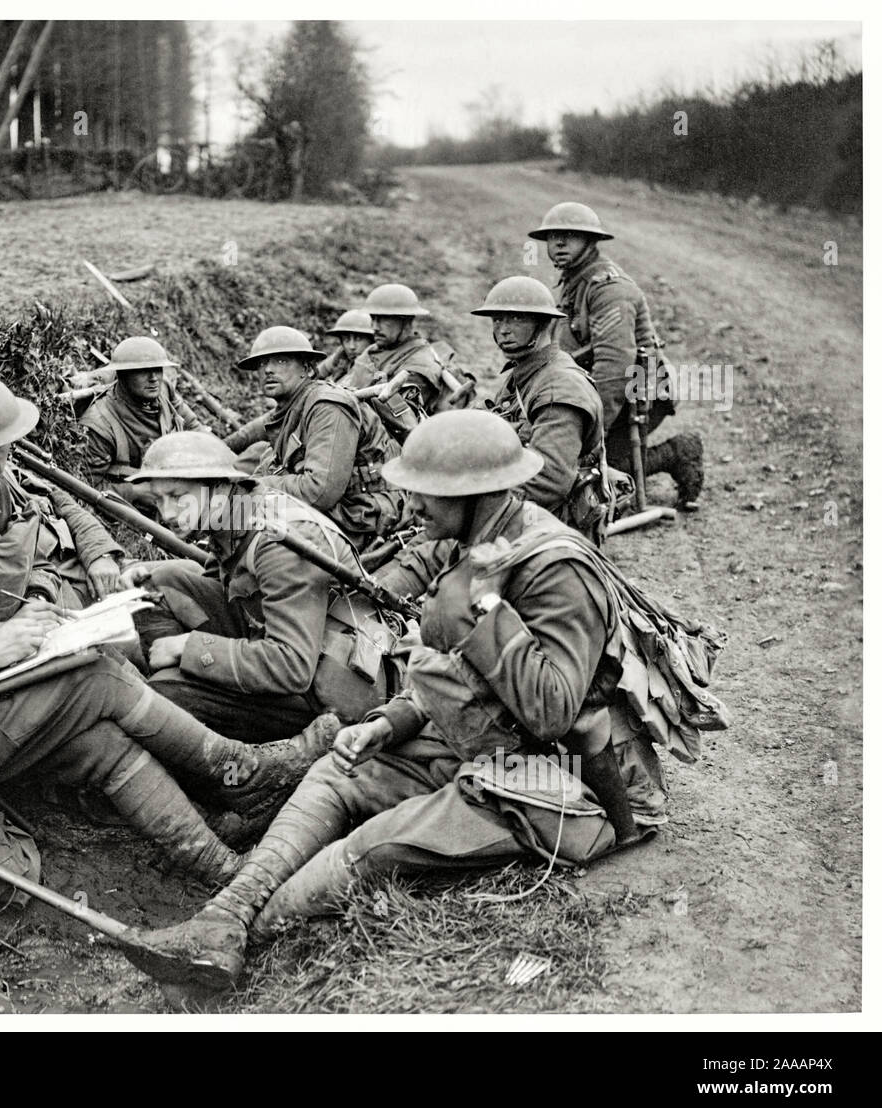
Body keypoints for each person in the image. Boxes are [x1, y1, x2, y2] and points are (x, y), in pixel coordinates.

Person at [119, 411, 720, 999]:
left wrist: (483, 613)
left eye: (425, 494)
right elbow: (453, 674)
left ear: (475, 493)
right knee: (339, 768)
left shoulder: (555, 568)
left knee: (365, 850)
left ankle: (234, 937)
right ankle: (224, 914)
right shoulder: (476, 540)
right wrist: (390, 720)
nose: (410, 507)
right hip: (490, 741)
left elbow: (557, 712)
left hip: (570, 779)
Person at [0, 422, 340, 906]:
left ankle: (221, 864)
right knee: (91, 676)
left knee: (96, 737)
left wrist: (14, 636)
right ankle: (238, 769)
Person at [121, 431, 399, 746]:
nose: (167, 514)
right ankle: (182, 685)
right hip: (282, 642)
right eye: (158, 500)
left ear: (219, 486)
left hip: (326, 693)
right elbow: (225, 583)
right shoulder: (236, 511)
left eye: (177, 496)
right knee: (156, 585)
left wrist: (190, 647)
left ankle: (252, 763)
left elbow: (293, 666)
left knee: (167, 696)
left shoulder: (276, 541)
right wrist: (145, 574)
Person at [529, 201, 704, 509]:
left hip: (636, 396)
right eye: (553, 235)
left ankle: (679, 452)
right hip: (604, 392)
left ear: (590, 241)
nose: (558, 242)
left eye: (570, 235)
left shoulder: (609, 289)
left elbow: (615, 368)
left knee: (584, 469)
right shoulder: (575, 280)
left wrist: (591, 431)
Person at [0, 373, 124, 619]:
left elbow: (64, 504)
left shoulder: (9, 477)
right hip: (56, 595)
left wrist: (99, 554)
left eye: (0, 447)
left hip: (81, 570)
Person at [222, 326, 406, 551]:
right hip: (339, 510)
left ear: (308, 370)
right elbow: (273, 469)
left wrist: (254, 488)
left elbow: (319, 491)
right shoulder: (291, 409)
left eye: (281, 361)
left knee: (262, 544)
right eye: (262, 363)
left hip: (361, 514)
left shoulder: (327, 407)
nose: (268, 370)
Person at [474, 276, 611, 544]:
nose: (503, 330)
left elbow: (548, 480)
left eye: (516, 319)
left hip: (554, 533)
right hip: (526, 512)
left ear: (544, 323)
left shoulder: (559, 387)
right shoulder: (526, 372)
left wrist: (475, 505)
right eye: (497, 319)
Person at [81, 336, 209, 508]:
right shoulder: (101, 425)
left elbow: (193, 426)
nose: (154, 378)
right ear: (122, 374)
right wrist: (135, 492)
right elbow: (87, 487)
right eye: (143, 370)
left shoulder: (163, 389)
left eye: (157, 369)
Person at [339, 283, 469, 438]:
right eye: (373, 318)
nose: (374, 326)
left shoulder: (420, 363)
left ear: (405, 321)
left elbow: (402, 418)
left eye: (383, 319)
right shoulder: (373, 350)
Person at [316, 310, 374, 385]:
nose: (352, 346)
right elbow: (316, 373)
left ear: (371, 340)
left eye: (358, 339)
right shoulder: (341, 355)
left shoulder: (377, 362)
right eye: (346, 340)